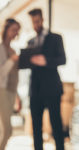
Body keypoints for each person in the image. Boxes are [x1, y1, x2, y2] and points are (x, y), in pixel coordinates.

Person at [27, 8, 66, 150]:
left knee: (56, 124)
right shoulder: (30, 41)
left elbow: (63, 59)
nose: (35, 24)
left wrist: (46, 61)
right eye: (33, 22)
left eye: (37, 21)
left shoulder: (56, 38)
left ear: (42, 20)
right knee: (36, 127)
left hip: (52, 89)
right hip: (35, 90)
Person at [0, 18, 20, 150]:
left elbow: (15, 77)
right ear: (6, 30)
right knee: (7, 129)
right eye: (13, 30)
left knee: (6, 130)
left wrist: (17, 96)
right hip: (2, 90)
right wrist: (12, 60)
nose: (15, 33)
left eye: (17, 31)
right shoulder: (1, 49)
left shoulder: (12, 50)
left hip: (11, 92)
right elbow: (1, 72)